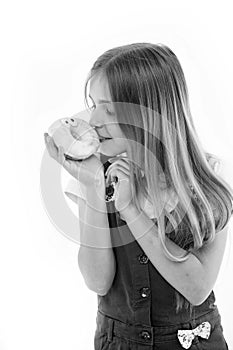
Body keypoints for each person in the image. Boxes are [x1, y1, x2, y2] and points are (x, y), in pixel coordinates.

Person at [44, 43, 233, 349]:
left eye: (108, 107)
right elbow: (97, 281)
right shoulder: (99, 177)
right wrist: (93, 188)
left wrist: (131, 210)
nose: (93, 120)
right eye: (93, 104)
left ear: (148, 112)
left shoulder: (208, 179)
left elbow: (196, 287)